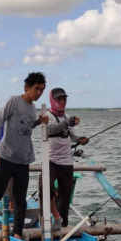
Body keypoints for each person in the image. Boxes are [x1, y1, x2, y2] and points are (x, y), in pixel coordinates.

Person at [0, 72, 49, 238]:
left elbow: (27, 127)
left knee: (20, 200)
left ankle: (17, 233)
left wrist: (39, 122)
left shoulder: (32, 108)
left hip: (23, 160)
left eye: (42, 90)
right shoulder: (13, 101)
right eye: (36, 89)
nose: (39, 93)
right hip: (6, 156)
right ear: (27, 87)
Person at [45, 87, 88, 227]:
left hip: (66, 162)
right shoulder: (47, 115)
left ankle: (63, 224)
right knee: (46, 189)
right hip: (50, 161)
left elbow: (73, 136)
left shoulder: (66, 116)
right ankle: (49, 218)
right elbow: (49, 130)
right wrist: (67, 122)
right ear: (52, 100)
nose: (62, 101)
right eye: (59, 99)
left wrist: (81, 139)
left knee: (65, 195)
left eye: (64, 99)